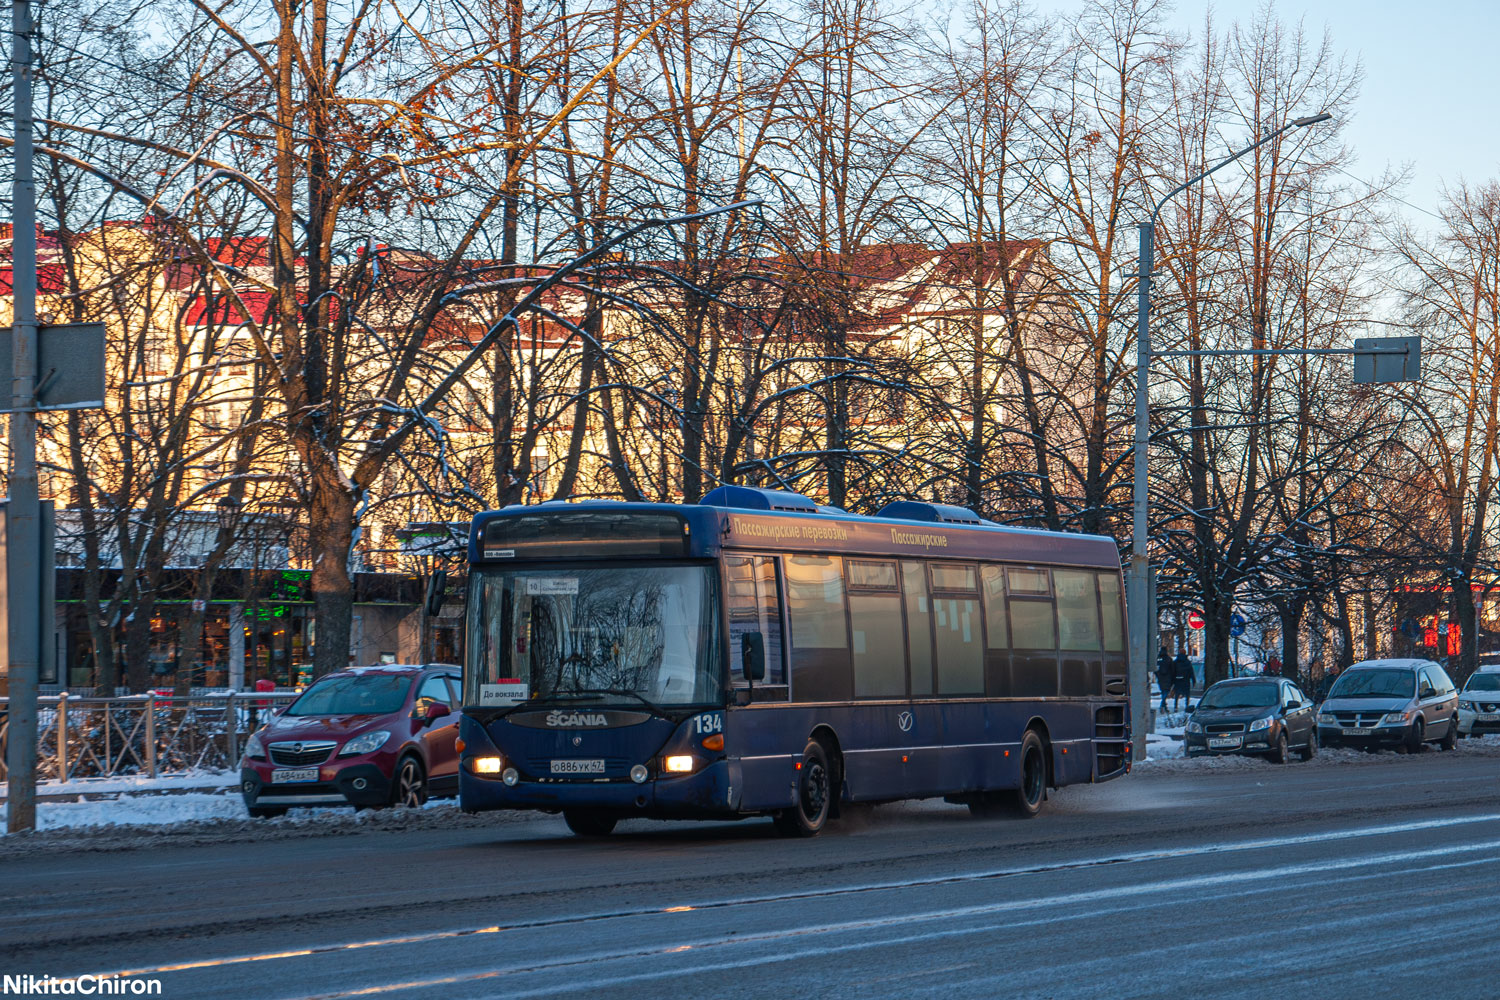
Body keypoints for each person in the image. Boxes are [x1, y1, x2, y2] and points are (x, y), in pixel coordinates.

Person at [1156, 646, 1174, 711]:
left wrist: (1158, 675)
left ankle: (1163, 705)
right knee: (1166, 691)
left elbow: (1155, 668)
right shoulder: (1169, 659)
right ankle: (1162, 704)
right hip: (1168, 678)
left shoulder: (1158, 658)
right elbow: (1172, 669)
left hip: (1160, 678)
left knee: (1163, 691)